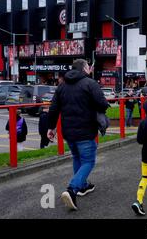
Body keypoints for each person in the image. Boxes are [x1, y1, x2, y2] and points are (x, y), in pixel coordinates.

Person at [47, 59, 109, 211]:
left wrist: (51, 128)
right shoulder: (90, 83)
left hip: (68, 132)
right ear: (84, 68)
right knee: (88, 161)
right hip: (86, 131)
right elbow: (102, 104)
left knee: (77, 158)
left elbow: (54, 109)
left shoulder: (62, 86)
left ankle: (83, 186)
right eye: (88, 67)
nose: (90, 69)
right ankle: (72, 189)